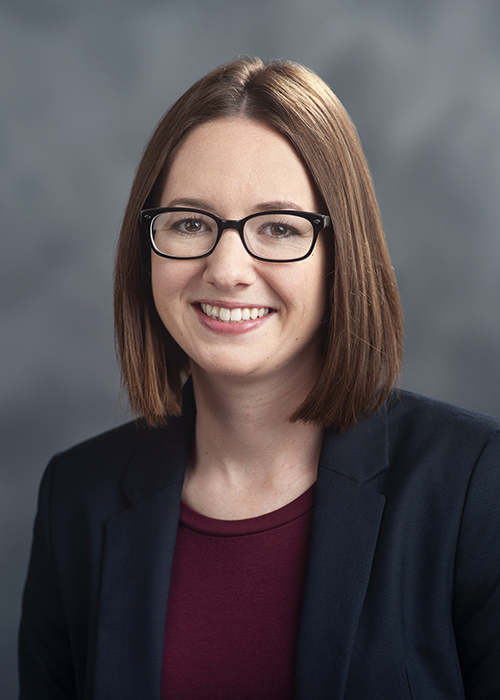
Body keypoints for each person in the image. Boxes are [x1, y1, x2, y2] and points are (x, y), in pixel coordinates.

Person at [19, 56, 500, 700]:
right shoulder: (75, 499)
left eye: (277, 227)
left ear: (341, 254)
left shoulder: (475, 485)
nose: (227, 268)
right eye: (190, 222)